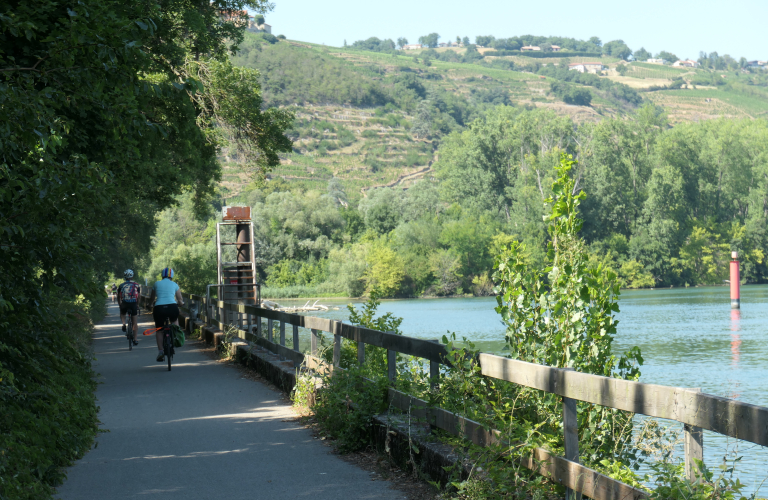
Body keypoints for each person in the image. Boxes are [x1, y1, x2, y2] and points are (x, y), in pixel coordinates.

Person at [149, 267, 183, 362]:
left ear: (162, 275)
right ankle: (175, 338)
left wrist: (150, 304)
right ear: (171, 276)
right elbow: (179, 299)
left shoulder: (156, 283)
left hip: (159, 308)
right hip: (172, 307)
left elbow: (152, 298)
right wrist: (180, 303)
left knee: (159, 330)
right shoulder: (175, 284)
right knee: (175, 321)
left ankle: (160, 352)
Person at [117, 270, 141, 346]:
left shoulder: (121, 285)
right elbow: (139, 296)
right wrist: (137, 305)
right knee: (135, 323)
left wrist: (120, 304)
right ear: (132, 276)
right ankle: (136, 339)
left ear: (125, 277)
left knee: (122, 312)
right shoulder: (136, 285)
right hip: (133, 304)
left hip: (125, 303)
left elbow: (118, 296)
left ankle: (124, 324)